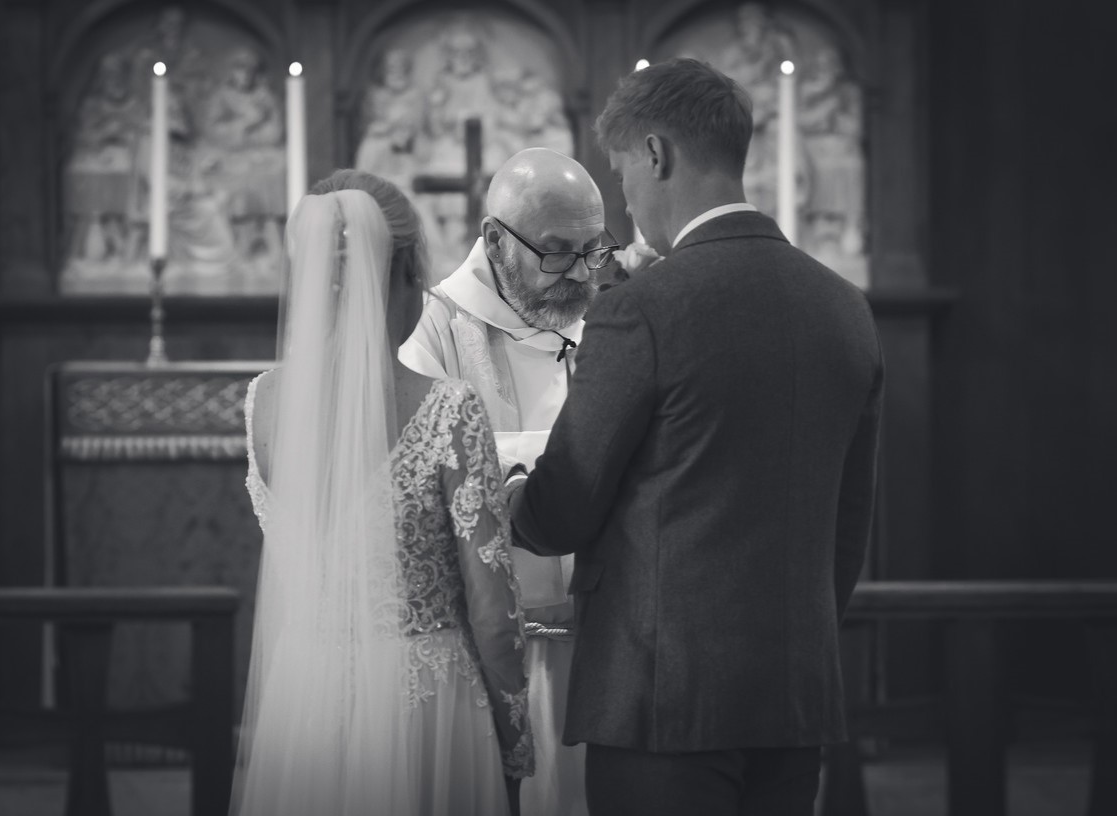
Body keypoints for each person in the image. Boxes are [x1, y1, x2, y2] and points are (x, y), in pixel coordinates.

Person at [506, 58, 884, 815]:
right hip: (793, 696)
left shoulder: (643, 309)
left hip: (664, 703)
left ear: (656, 154)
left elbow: (567, 508)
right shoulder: (846, 308)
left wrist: (513, 490)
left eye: (621, 176)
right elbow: (849, 524)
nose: (628, 200)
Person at [232, 169, 534, 816]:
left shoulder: (261, 405)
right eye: (417, 276)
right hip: (428, 707)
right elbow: (493, 616)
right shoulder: (449, 410)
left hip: (303, 699)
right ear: (395, 277)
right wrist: (516, 750)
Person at [400, 148, 617, 816]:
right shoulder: (432, 327)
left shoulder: (611, 319)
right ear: (494, 239)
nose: (580, 274)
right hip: (487, 646)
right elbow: (418, 469)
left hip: (599, 636)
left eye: (593, 251)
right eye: (556, 252)